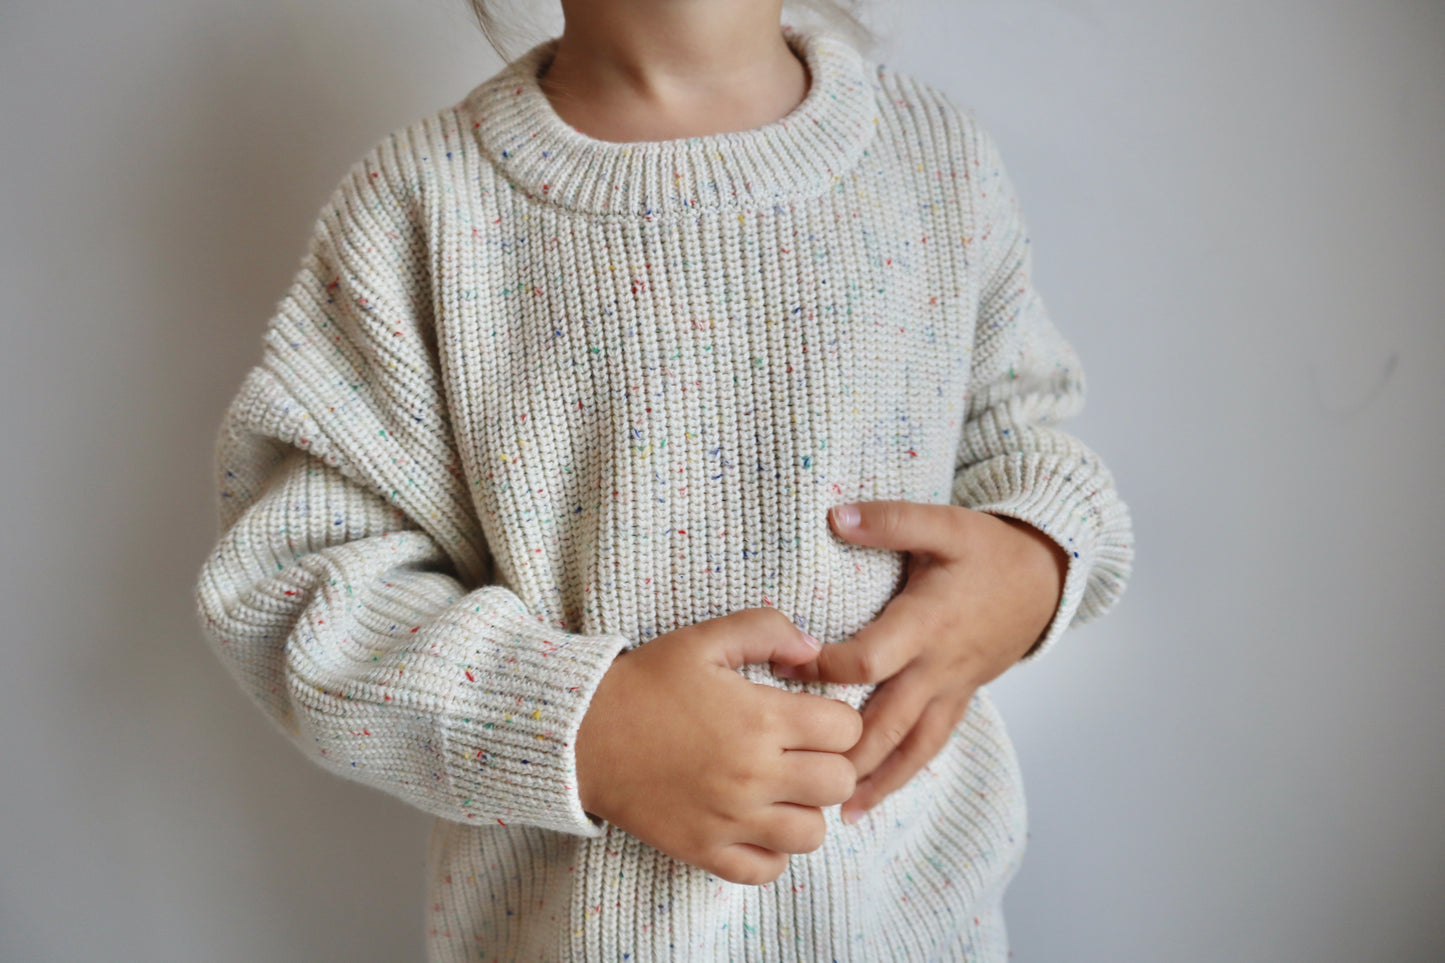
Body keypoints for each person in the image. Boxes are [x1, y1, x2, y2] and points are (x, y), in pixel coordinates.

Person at [194, 0, 1134, 958]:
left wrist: (1034, 559)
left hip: (912, 924)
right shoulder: (419, 209)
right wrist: (582, 725)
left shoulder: (934, 160)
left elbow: (1024, 443)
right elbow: (297, 582)